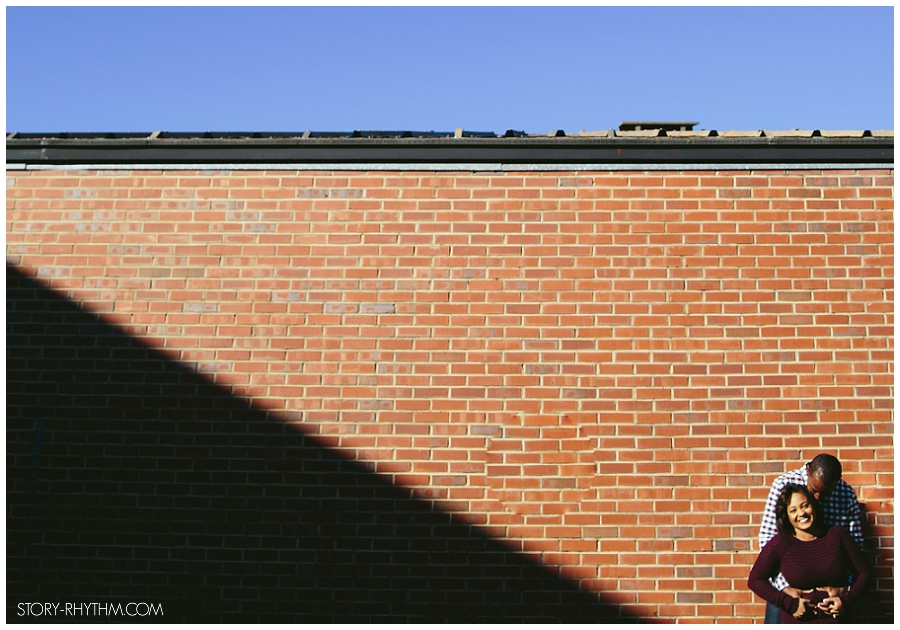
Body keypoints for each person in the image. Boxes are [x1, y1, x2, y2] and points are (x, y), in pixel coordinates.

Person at [757, 455, 865, 623]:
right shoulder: (783, 484)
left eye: (826, 493)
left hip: (829, 597)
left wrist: (845, 589)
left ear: (837, 481)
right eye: (813, 491)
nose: (818, 499)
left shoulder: (847, 494)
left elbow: (856, 547)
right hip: (789, 589)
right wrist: (785, 589)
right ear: (808, 472)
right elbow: (767, 538)